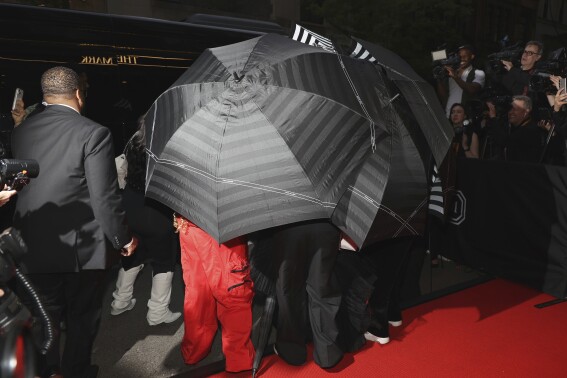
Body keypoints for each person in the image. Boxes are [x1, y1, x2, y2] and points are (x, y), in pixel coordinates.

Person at [11, 66, 138, 378]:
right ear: (79, 94)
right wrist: (123, 239)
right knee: (82, 319)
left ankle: (49, 370)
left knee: (45, 318)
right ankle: (77, 371)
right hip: (81, 251)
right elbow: (104, 198)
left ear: (44, 95)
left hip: (33, 243)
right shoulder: (94, 133)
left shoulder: (21, 131)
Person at [109, 117, 181, 325]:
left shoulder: (133, 141)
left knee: (132, 255)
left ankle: (119, 303)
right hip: (157, 210)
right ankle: (157, 313)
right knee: (164, 261)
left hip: (130, 206)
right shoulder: (167, 146)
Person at [174, 215, 255, 373]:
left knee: (198, 292)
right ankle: (239, 365)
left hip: (189, 223)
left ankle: (194, 351)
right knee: (233, 294)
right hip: (222, 227)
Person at [272, 220, 343, 369]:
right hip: (326, 225)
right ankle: (328, 353)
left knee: (289, 290)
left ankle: (293, 351)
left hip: (288, 225)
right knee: (322, 288)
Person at [485, 95, 558, 163]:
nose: (510, 112)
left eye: (515, 109)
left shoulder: (531, 130)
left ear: (526, 111)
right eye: (510, 109)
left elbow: (505, 142)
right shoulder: (515, 128)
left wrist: (493, 118)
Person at [436, 44, 485, 116]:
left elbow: (472, 90)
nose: (461, 59)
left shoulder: (478, 73)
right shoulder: (450, 73)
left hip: (466, 118)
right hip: (448, 115)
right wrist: (439, 79)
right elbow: (443, 96)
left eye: (465, 56)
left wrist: (455, 77)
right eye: (459, 57)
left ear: (472, 56)